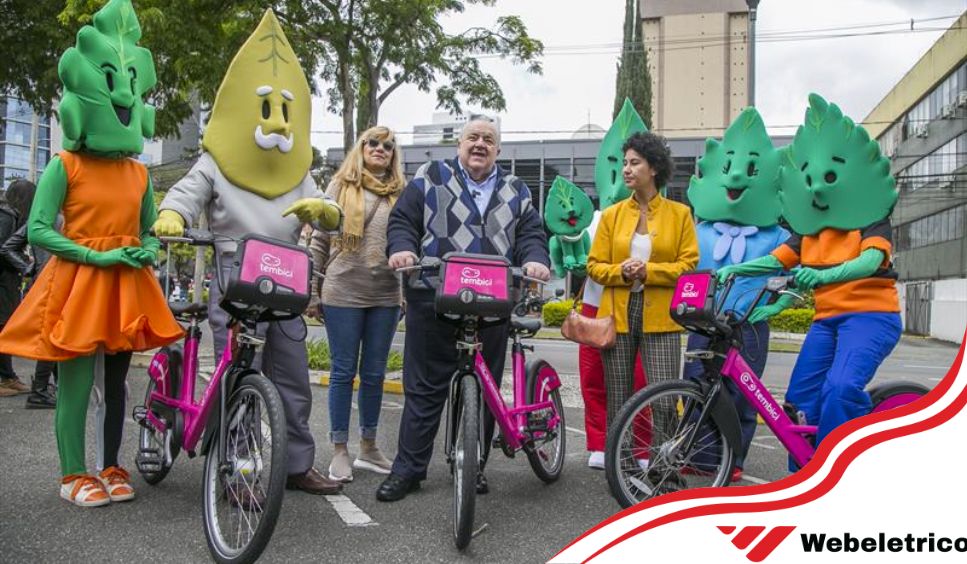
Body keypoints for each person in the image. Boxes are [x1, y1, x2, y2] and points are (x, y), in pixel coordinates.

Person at [0, 0, 184, 507]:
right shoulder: (65, 165)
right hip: (80, 283)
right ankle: (72, 474)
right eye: (111, 77)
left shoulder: (141, 173)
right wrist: (95, 256)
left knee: (118, 383)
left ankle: (109, 464)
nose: (123, 92)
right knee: (76, 380)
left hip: (125, 286)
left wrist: (145, 249)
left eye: (129, 79)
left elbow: (148, 231)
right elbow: (38, 229)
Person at [154, 10, 344, 495]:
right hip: (235, 277)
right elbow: (184, 193)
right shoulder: (215, 163)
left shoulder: (296, 169)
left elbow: (330, 209)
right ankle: (235, 466)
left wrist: (324, 212)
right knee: (239, 373)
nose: (277, 121)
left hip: (286, 278)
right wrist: (173, 215)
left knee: (294, 378)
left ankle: (297, 464)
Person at [719, 94, 903, 469]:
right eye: (809, 178)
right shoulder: (809, 230)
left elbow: (870, 261)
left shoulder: (867, 216)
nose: (817, 187)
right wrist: (733, 271)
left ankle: (842, 469)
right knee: (800, 399)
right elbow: (775, 260)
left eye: (831, 176)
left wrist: (824, 275)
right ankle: (801, 474)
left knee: (840, 389)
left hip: (871, 316)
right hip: (826, 321)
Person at [377, 117, 551, 502]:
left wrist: (536, 259)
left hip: (492, 301)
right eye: (472, 137)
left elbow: (531, 235)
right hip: (433, 295)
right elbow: (403, 220)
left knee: (486, 390)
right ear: (459, 144)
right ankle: (408, 470)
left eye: (488, 140)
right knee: (424, 391)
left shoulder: (516, 188)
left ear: (498, 150)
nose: (480, 144)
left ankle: (472, 466)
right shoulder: (430, 175)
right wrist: (402, 249)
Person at [682, 108, 790, 482]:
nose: (738, 176)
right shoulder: (700, 229)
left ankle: (735, 455)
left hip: (750, 327)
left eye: (753, 170)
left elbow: (790, 279)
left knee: (744, 394)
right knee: (697, 384)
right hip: (705, 322)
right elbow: (684, 268)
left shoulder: (778, 235)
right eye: (729, 167)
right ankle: (701, 454)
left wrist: (772, 308)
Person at [586, 132, 698, 440]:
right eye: (625, 163)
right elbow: (594, 266)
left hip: (661, 317)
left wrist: (649, 271)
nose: (626, 169)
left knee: (663, 397)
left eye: (635, 163)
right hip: (616, 317)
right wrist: (621, 272)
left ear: (654, 168)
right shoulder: (611, 215)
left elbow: (688, 266)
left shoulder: (680, 215)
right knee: (619, 397)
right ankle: (621, 466)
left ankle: (665, 467)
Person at [308, 126, 405, 482]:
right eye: (373, 143)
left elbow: (409, 242)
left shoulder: (401, 194)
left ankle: (368, 446)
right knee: (343, 371)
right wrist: (312, 291)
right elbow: (320, 239)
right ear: (361, 148)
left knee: (376, 374)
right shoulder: (339, 187)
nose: (381, 149)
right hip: (342, 291)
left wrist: (405, 294)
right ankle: (339, 450)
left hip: (385, 295)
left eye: (388, 146)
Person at [0, 192, 61, 408]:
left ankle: (47, 388)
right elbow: (7, 248)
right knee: (54, 337)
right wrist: (29, 267)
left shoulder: (42, 216)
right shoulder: (64, 217)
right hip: (59, 283)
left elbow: (8, 247)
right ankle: (41, 391)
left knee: (53, 336)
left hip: (44, 283)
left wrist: (30, 269)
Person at [0, 179, 36, 397]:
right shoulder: (6, 216)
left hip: (6, 281)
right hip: (3, 281)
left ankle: (8, 376)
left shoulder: (7, 214)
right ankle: (6, 378)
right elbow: (4, 249)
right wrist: (28, 265)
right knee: (3, 328)